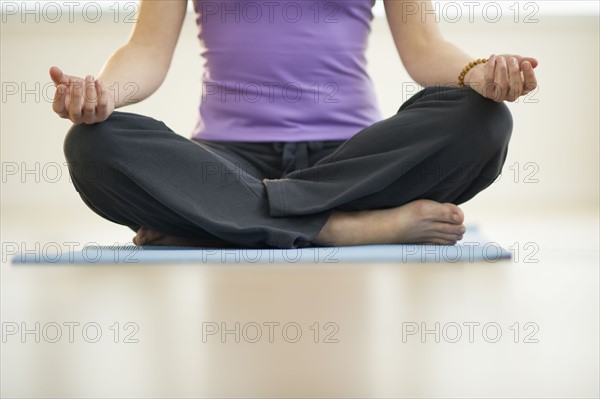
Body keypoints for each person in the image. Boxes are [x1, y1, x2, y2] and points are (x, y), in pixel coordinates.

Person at [50, 0, 538, 249]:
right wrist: (106, 94)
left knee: (482, 119)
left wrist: (479, 75)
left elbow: (427, 48)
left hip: (351, 164)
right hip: (228, 161)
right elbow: (145, 51)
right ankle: (339, 229)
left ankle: (218, 222)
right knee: (96, 144)